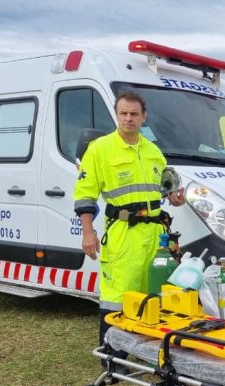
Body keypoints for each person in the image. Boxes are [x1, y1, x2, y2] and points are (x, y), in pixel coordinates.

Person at [73, 90, 186, 353]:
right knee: (117, 296)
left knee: (154, 293)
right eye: (123, 113)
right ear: (116, 115)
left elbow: (163, 190)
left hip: (156, 234)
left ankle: (148, 353)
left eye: (134, 114)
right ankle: (113, 357)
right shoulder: (100, 149)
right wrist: (87, 232)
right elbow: (84, 195)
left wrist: (174, 199)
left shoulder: (154, 151)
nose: (128, 119)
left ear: (144, 117)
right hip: (123, 233)